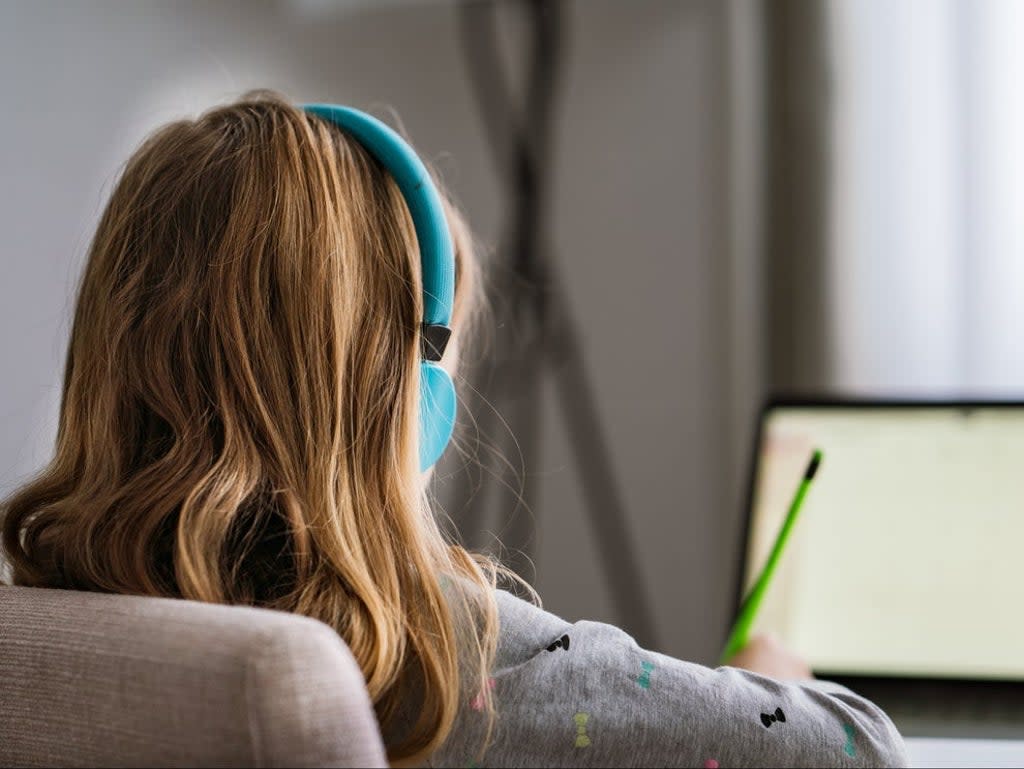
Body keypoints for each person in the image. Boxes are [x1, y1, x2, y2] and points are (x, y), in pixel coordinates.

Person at [0, 92, 908, 768]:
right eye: (437, 351)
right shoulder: (438, 661)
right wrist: (772, 669)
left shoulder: (45, 626)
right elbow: (863, 752)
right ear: (397, 389)